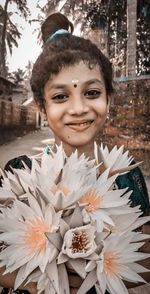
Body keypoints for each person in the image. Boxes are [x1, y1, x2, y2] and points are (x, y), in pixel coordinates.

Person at [0, 12, 150, 294]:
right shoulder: (18, 175)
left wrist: (94, 278)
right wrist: (39, 283)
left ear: (109, 98)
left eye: (92, 93)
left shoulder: (129, 177)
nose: (79, 108)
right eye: (60, 96)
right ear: (43, 108)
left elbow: (143, 257)